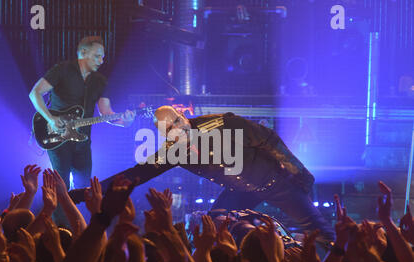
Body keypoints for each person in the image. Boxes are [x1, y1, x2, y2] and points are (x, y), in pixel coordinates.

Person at [70, 106, 335, 244]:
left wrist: (296, 169)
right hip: (240, 190)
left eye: (176, 122)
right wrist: (87, 193)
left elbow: (267, 138)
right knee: (216, 224)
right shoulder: (173, 151)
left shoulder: (220, 123)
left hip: (275, 182)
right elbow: (137, 174)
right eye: (169, 130)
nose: (176, 130)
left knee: (320, 230)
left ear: (183, 116)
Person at [29, 36, 135, 227]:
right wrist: (51, 119)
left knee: (84, 185)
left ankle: (79, 226)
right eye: (97, 56)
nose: (101, 61)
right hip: (57, 137)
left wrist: (125, 122)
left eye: (103, 57)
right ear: (83, 53)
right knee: (61, 184)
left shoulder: (100, 81)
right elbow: (35, 93)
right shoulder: (62, 70)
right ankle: (61, 230)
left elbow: (106, 112)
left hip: (83, 142)